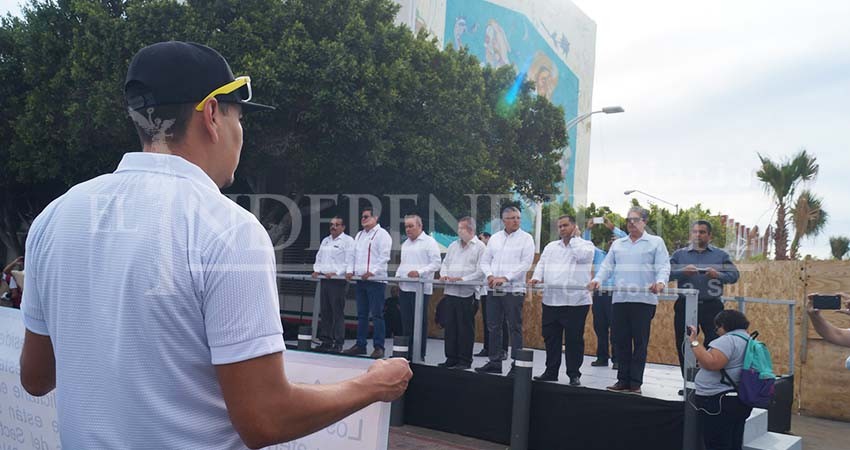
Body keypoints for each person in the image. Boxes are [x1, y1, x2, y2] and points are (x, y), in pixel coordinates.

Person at [19, 41, 411, 449]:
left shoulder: (55, 218)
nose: (241, 135)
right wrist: (371, 386)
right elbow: (265, 417)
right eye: (239, 116)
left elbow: (36, 377)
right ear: (211, 115)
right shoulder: (228, 230)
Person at [588, 206, 670, 394]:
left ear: (644, 221)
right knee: (620, 340)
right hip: (620, 299)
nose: (631, 223)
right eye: (628, 220)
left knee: (639, 343)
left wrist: (660, 282)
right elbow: (607, 266)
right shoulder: (619, 244)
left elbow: (663, 266)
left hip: (643, 299)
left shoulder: (655, 242)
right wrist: (597, 280)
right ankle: (622, 380)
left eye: (635, 219)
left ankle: (635, 383)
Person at [670, 220, 739, 379]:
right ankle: (688, 383)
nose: (698, 235)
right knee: (684, 343)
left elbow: (735, 276)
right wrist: (682, 272)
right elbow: (664, 274)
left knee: (715, 342)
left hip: (712, 306)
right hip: (685, 305)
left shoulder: (720, 255)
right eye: (695, 232)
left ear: (709, 235)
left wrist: (718, 275)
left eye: (702, 232)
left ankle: (708, 381)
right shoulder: (679, 255)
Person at [530, 215, 595, 385]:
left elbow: (582, 257)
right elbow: (542, 264)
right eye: (559, 226)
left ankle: (574, 374)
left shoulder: (586, 245)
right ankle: (551, 371)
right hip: (552, 300)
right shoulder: (551, 247)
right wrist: (537, 277)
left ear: (574, 226)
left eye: (565, 225)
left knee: (574, 339)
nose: (562, 229)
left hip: (576, 302)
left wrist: (574, 239)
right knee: (551, 338)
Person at [475, 206, 535, 375]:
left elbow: (525, 264)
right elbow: (485, 261)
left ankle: (517, 364)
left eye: (518, 217)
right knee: (493, 325)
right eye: (512, 218)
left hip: (513, 289)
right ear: (504, 220)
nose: (516, 220)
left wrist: (506, 278)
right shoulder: (495, 238)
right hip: (494, 288)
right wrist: (490, 275)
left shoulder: (526, 239)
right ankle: (494, 361)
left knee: (514, 326)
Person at [688, 309, 754, 450]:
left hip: (718, 402)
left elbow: (712, 363)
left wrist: (694, 342)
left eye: (717, 327)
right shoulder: (748, 339)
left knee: (717, 443)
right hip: (738, 399)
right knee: (734, 441)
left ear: (724, 324)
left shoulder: (728, 340)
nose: (716, 331)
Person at [345, 206, 393, 359]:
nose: (363, 219)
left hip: (376, 281)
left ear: (375, 218)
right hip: (361, 280)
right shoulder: (359, 235)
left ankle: (379, 347)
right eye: (362, 217)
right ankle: (361, 345)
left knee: (377, 314)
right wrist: (349, 270)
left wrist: (372, 271)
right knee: (361, 314)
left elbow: (384, 257)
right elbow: (352, 255)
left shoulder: (382, 235)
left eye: (366, 216)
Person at [439, 217, 485, 370]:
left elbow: (481, 271)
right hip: (450, 292)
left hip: (468, 293)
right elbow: (445, 263)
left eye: (461, 228)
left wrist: (463, 279)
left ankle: (465, 360)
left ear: (471, 230)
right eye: (458, 228)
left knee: (465, 329)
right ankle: (450, 358)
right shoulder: (453, 245)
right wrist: (443, 274)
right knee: (450, 327)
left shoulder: (480, 247)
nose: (458, 231)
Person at [395, 214, 441, 358]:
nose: (408, 229)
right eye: (406, 227)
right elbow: (404, 264)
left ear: (420, 226)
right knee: (406, 321)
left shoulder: (429, 242)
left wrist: (419, 272)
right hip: (405, 287)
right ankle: (407, 353)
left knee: (419, 323)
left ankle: (419, 354)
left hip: (420, 289)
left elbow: (436, 263)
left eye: (411, 226)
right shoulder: (406, 243)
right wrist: (398, 277)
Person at [583, 218, 626, 368]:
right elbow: (586, 245)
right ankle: (602, 358)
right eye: (611, 240)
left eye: (615, 240)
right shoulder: (599, 254)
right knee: (600, 327)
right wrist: (588, 229)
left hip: (615, 294)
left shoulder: (622, 255)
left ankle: (617, 359)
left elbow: (627, 238)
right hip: (600, 294)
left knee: (616, 328)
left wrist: (613, 228)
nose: (612, 242)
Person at [312, 216, 354, 352]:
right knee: (325, 311)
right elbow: (319, 257)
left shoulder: (348, 241)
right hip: (325, 280)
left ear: (343, 227)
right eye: (331, 224)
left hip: (338, 281)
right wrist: (316, 270)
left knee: (337, 312)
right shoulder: (326, 240)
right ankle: (326, 341)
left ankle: (338, 342)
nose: (333, 227)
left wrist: (338, 272)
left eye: (337, 224)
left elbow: (349, 260)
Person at [475, 231, 509, 358]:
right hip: (487, 288)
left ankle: (503, 349)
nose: (480, 240)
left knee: (502, 321)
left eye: (481, 238)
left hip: (501, 287)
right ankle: (488, 347)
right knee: (488, 320)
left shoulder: (499, 251)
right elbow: (483, 265)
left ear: (488, 238)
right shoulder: (486, 251)